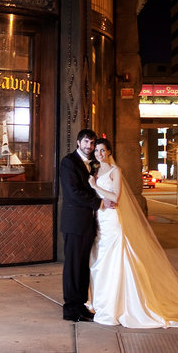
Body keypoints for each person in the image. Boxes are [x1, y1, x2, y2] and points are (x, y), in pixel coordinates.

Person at [86, 138, 178, 328]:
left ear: (109, 152)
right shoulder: (96, 171)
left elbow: (116, 197)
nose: (99, 153)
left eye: (102, 150)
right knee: (100, 259)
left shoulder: (116, 171)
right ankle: (102, 300)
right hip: (100, 218)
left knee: (115, 258)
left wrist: (95, 186)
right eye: (97, 150)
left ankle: (120, 304)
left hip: (113, 220)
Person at [58, 128, 111, 322]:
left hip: (88, 223)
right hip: (74, 223)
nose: (89, 146)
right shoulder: (68, 162)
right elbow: (73, 192)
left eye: (92, 143)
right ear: (79, 142)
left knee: (82, 267)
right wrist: (98, 203)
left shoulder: (93, 163)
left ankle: (81, 305)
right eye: (86, 142)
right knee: (73, 267)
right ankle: (70, 309)